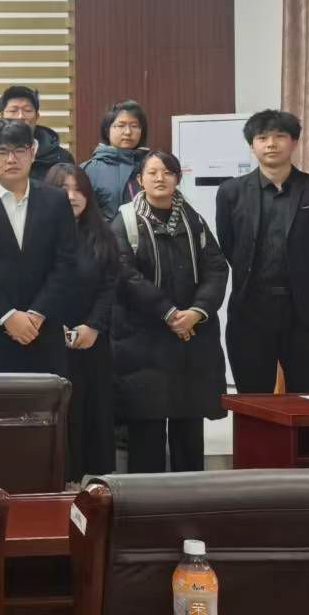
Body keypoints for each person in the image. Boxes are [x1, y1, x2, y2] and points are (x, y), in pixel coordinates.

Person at [112, 150, 229, 474]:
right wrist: (168, 313)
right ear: (140, 180)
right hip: (143, 339)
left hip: (190, 338)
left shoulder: (194, 220)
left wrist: (197, 311)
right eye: (152, 172)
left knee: (189, 428)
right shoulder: (125, 221)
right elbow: (124, 274)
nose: (160, 178)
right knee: (146, 430)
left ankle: (192, 496)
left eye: (167, 172)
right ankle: (145, 500)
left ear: (178, 177)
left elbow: (216, 268)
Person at [216, 109, 309, 394]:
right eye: (262, 138)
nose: (271, 144)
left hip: (306, 310)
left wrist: (306, 276)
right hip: (251, 309)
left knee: (308, 395)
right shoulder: (230, 192)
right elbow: (229, 244)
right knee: (253, 396)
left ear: (294, 142)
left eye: (280, 136)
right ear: (252, 145)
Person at [0, 119, 80, 375]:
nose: (11, 159)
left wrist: (37, 313)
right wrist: (7, 316)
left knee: (47, 401)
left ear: (32, 153)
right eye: (1, 152)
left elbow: (66, 262)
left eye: (19, 150)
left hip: (43, 331)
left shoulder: (56, 201)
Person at [42, 164, 123, 481]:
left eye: (79, 189)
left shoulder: (103, 235)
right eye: (64, 189)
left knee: (91, 409)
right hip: (48, 337)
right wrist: (52, 324)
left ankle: (86, 484)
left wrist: (94, 326)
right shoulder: (38, 236)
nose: (72, 196)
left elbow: (109, 285)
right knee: (59, 411)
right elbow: (34, 284)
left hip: (92, 339)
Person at [0, 85, 73, 191]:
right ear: (1, 117)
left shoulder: (60, 157)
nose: (21, 116)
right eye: (13, 111)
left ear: (37, 116)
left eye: (27, 110)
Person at [81, 100, 149, 221]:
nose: (128, 132)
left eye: (134, 126)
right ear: (107, 130)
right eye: (121, 125)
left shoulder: (151, 166)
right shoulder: (89, 170)